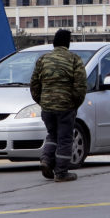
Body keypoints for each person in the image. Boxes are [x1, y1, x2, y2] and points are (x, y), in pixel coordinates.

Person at [30, 28, 87, 182]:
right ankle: (61, 173)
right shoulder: (74, 59)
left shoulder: (43, 59)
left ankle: (46, 161)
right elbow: (80, 85)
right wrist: (75, 103)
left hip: (47, 108)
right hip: (66, 107)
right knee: (65, 139)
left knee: (52, 135)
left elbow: (34, 84)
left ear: (54, 42)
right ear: (68, 43)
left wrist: (42, 101)